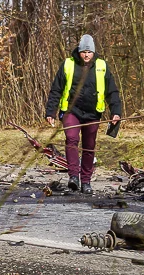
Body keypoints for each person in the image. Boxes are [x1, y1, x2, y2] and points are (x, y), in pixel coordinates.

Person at [45, 35, 122, 193]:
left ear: (93, 52)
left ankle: (86, 181)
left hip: (93, 113)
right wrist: (50, 111)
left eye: (89, 52)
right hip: (71, 111)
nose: (86, 55)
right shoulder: (68, 64)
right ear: (79, 51)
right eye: (83, 52)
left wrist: (116, 111)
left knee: (89, 147)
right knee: (72, 139)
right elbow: (56, 90)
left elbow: (112, 91)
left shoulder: (102, 66)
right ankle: (73, 176)